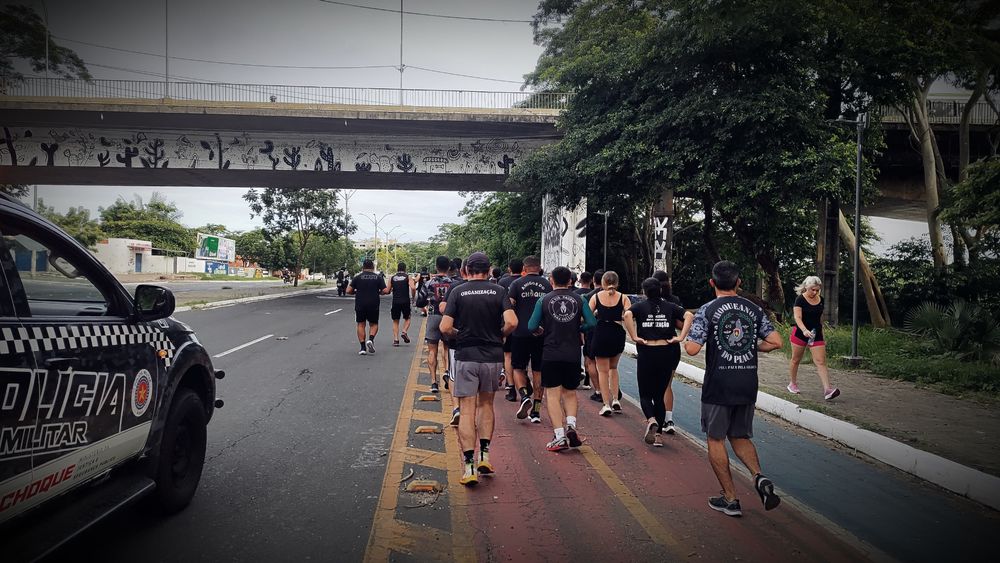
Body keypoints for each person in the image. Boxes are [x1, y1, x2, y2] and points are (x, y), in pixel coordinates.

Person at [684, 260, 783, 517]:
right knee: (740, 436)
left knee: (716, 438)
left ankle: (730, 498)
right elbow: (776, 341)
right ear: (739, 283)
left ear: (712, 283)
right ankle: (759, 477)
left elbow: (692, 349)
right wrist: (750, 347)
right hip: (747, 382)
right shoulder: (753, 309)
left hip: (719, 384)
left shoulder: (706, 310)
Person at [440, 252, 517, 486]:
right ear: (488, 269)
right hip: (492, 357)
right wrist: (499, 336)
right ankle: (485, 455)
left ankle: (469, 467)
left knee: (466, 410)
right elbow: (512, 322)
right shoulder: (499, 291)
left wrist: (459, 335)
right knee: (486, 405)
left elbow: (445, 326)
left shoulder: (458, 292)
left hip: (466, 356)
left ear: (466, 270)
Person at [528, 266, 597, 451]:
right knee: (570, 392)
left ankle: (559, 435)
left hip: (551, 353)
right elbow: (592, 323)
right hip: (572, 353)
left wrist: (541, 331)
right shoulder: (579, 299)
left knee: (552, 394)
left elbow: (531, 325)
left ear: (551, 280)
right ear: (570, 281)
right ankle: (571, 426)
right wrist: (578, 329)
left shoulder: (543, 300)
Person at [624, 278, 693, 447]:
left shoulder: (639, 306)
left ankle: (651, 419)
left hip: (647, 351)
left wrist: (634, 337)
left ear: (644, 291)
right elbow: (689, 315)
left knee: (645, 395)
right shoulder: (669, 306)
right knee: (659, 396)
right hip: (666, 352)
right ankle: (659, 436)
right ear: (661, 290)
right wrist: (681, 337)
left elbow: (626, 314)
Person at [507, 255, 553, 423]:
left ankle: (524, 395)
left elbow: (510, 305)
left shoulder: (516, 284)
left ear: (524, 269)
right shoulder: (548, 285)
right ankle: (536, 411)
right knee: (538, 372)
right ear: (539, 267)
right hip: (541, 334)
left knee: (518, 367)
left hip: (520, 332)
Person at [787, 276, 840, 400]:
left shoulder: (821, 300)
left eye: (817, 290)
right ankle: (792, 383)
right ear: (806, 287)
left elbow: (819, 317)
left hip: (816, 334)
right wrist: (804, 330)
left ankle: (827, 390)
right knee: (795, 359)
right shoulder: (799, 300)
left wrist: (822, 332)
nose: (815, 292)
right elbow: (797, 318)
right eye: (812, 290)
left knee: (821, 361)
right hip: (801, 333)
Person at [589, 271, 631, 416]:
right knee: (614, 368)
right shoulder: (623, 298)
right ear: (617, 283)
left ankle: (606, 404)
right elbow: (629, 315)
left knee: (602, 371)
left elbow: (588, 316)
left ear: (603, 282)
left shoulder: (596, 296)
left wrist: (597, 316)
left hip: (601, 332)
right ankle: (615, 399)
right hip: (617, 333)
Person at [652, 270, 683, 434]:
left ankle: (655, 419)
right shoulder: (674, 301)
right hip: (671, 346)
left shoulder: (648, 302)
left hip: (652, 347)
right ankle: (669, 420)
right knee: (667, 385)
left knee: (653, 385)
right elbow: (680, 324)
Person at [424, 256, 453, 394]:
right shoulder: (453, 283)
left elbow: (419, 301)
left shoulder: (429, 283)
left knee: (432, 350)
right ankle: (447, 373)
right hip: (448, 317)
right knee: (447, 348)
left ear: (436, 267)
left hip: (433, 316)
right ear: (448, 268)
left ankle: (433, 382)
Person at [347, 259, 388, 355]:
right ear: (373, 267)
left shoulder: (357, 277)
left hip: (360, 304)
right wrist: (379, 292)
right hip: (373, 304)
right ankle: (371, 339)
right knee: (373, 324)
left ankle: (362, 348)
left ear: (363, 267)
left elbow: (348, 290)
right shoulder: (378, 277)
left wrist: (356, 292)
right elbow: (386, 291)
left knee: (361, 324)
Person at [499, 258, 523, 403]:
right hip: (524, 326)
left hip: (507, 324)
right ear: (523, 269)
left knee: (507, 356)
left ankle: (511, 387)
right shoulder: (525, 282)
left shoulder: (502, 283)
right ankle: (524, 386)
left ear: (509, 269)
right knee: (522, 360)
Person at [584, 269, 605, 403]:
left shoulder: (589, 296)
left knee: (591, 360)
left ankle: (598, 390)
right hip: (611, 331)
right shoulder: (618, 296)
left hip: (592, 332)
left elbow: (586, 316)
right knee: (610, 365)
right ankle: (613, 391)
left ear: (594, 281)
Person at [575, 271, 596, 390]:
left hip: (579, 327)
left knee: (581, 353)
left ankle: (579, 374)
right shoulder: (595, 294)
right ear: (591, 280)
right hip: (592, 328)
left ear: (580, 280)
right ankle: (588, 380)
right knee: (590, 356)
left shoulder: (576, 294)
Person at [389, 262, 415, 347]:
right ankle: (404, 331)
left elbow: (387, 290)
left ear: (397, 269)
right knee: (407, 318)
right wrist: (413, 297)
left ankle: (396, 340)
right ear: (405, 269)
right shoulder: (408, 277)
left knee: (395, 321)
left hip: (395, 301)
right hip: (405, 301)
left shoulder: (392, 278)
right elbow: (413, 288)